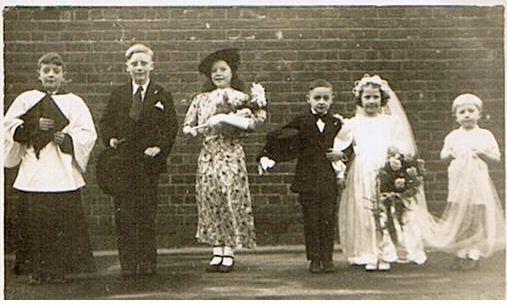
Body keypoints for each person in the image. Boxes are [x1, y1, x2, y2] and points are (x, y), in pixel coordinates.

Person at [4, 52, 97, 284]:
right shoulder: (27, 99)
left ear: (64, 75)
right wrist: (34, 125)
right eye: (46, 71)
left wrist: (65, 139)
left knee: (61, 224)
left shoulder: (74, 102)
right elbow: (8, 127)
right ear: (39, 74)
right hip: (34, 172)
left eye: (56, 71)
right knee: (35, 224)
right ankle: (36, 271)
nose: (51, 75)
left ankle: (60, 271)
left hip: (62, 173)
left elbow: (87, 133)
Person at [182, 48, 266, 273]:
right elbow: (188, 124)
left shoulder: (240, 97)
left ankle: (229, 249)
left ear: (232, 72)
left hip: (230, 155)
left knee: (229, 198)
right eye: (214, 71)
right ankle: (216, 248)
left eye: (223, 69)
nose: (218, 74)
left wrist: (230, 120)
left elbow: (254, 122)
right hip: (208, 156)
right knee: (211, 200)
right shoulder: (201, 99)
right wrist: (192, 130)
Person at [333, 74, 428, 271]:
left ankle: (387, 252)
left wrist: (396, 162)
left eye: (375, 97)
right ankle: (368, 252)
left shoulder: (391, 122)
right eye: (367, 97)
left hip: (386, 170)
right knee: (364, 209)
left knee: (387, 210)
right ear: (360, 99)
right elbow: (339, 148)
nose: (371, 101)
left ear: (382, 98)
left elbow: (402, 146)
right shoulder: (353, 123)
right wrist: (339, 170)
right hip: (362, 170)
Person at [99, 44, 178, 277]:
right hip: (123, 162)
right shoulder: (119, 94)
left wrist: (159, 147)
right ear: (127, 68)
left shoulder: (161, 94)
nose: (139, 68)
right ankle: (128, 264)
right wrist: (110, 138)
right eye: (134, 64)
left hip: (147, 164)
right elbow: (106, 122)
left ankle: (147, 263)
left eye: (144, 63)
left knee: (145, 213)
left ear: (151, 66)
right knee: (124, 215)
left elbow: (170, 127)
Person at [259, 79, 352, 273]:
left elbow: (350, 146)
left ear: (332, 99)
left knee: (327, 219)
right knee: (311, 220)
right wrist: (266, 156)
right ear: (308, 99)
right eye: (317, 98)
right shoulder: (301, 121)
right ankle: (314, 259)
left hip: (328, 179)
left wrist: (341, 155)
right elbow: (278, 138)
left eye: (325, 98)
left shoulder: (337, 123)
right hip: (307, 179)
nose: (321, 102)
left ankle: (327, 258)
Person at [438, 93, 505, 270]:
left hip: (477, 182)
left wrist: (482, 153)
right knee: (460, 214)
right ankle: (461, 250)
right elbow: (443, 155)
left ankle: (474, 250)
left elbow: (496, 157)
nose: (467, 115)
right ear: (456, 116)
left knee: (476, 214)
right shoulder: (453, 136)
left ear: (479, 114)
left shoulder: (485, 135)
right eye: (462, 112)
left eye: (471, 111)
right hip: (459, 181)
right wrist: (451, 154)